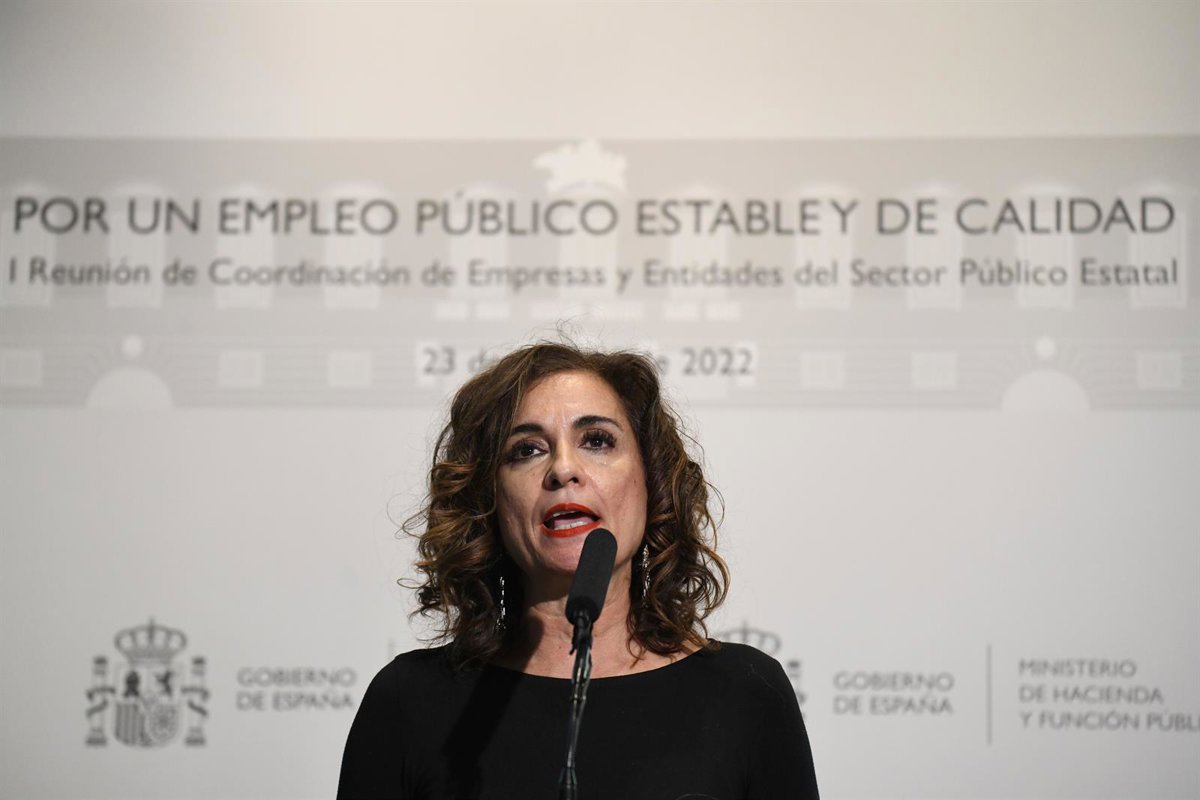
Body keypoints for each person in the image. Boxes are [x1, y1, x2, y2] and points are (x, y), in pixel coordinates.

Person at [338, 342, 818, 799]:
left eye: (597, 441)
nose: (563, 469)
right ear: (489, 500)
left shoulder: (746, 694)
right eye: (526, 449)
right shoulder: (408, 701)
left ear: (651, 483)